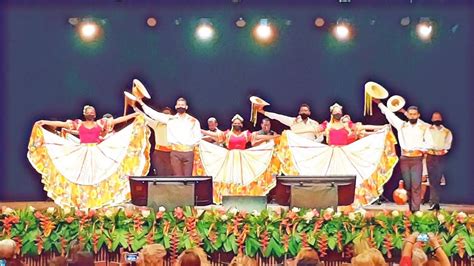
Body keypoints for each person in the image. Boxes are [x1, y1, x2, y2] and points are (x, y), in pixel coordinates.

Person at [28, 105, 150, 209]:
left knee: (99, 174)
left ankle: (98, 201)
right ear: (84, 113)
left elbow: (118, 120)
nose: (91, 113)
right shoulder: (78, 124)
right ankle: (82, 201)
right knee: (81, 175)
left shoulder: (101, 123)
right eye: (88, 111)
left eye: (92, 111)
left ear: (95, 114)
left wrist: (134, 115)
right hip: (82, 152)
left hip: (97, 151)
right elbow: (62, 124)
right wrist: (44, 122)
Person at [197, 114, 278, 203]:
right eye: (235, 123)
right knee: (229, 177)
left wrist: (273, 137)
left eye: (238, 123)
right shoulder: (228, 134)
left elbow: (259, 137)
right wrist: (201, 130)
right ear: (232, 124)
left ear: (241, 125)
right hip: (229, 158)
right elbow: (215, 135)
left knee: (242, 177)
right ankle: (229, 197)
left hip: (242, 158)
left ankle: (242, 197)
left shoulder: (246, 134)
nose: (237, 125)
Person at [374, 99, 428, 212]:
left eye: (415, 114)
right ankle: (411, 208)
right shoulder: (402, 125)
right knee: (408, 185)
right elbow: (389, 114)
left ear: (418, 115)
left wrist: (424, 149)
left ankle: (416, 210)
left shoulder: (423, 127)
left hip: (417, 158)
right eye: (410, 114)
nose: (412, 116)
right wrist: (379, 103)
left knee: (416, 185)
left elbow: (431, 138)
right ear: (407, 115)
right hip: (405, 158)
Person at [137, 97, 201, 176]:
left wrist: (187, 144)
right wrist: (141, 103)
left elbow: (198, 137)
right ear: (176, 107)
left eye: (182, 105)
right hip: (175, 152)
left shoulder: (193, 121)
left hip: (188, 152)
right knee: (177, 177)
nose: (181, 106)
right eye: (179, 105)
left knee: (187, 178)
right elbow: (154, 114)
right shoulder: (170, 119)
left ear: (186, 107)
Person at [319, 103, 386, 146]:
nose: (337, 113)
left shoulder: (349, 126)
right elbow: (316, 130)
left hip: (347, 151)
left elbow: (363, 128)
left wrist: (381, 128)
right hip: (333, 151)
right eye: (336, 112)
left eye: (339, 112)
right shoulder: (328, 126)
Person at [424, 112, 453, 211]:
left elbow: (448, 144)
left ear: (441, 119)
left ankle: (435, 202)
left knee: (438, 179)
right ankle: (434, 203)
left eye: (438, 118)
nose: (437, 119)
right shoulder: (428, 130)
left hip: (441, 157)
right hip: (431, 156)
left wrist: (443, 151)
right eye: (435, 118)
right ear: (432, 120)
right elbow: (427, 142)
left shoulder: (447, 131)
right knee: (432, 180)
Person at [135, 106, 174, 176]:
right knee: (160, 174)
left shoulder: (175, 124)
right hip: (159, 153)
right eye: (164, 114)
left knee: (170, 174)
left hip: (171, 153)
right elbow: (144, 116)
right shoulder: (156, 124)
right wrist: (135, 107)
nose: (165, 116)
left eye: (168, 114)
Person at [259, 103, 323, 142]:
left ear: (309, 113)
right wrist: (263, 112)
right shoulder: (293, 121)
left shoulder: (314, 123)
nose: (303, 112)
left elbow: (320, 137)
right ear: (299, 112)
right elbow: (278, 116)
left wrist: (313, 144)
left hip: (310, 150)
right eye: (302, 110)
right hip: (296, 151)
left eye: (306, 111)